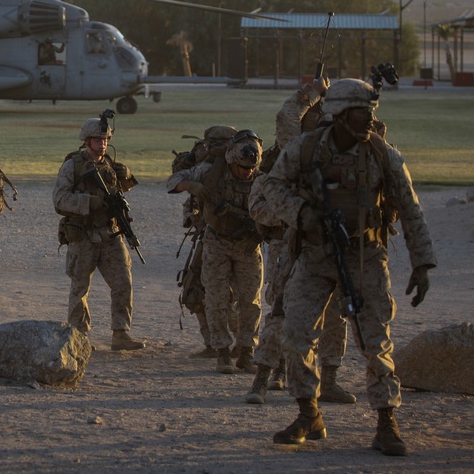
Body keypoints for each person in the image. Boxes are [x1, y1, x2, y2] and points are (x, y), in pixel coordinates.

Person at [255, 78, 435, 457]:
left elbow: (410, 208)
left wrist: (422, 263)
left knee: (374, 341)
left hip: (365, 257)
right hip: (315, 255)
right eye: (360, 112)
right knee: (296, 333)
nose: (368, 119)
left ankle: (386, 420)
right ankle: (309, 413)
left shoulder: (382, 155)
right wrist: (303, 214)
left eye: (370, 112)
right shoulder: (304, 150)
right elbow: (271, 188)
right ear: (338, 114)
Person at [245, 77, 356, 405]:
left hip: (336, 243)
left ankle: (330, 378)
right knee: (281, 309)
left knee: (337, 312)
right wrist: (311, 92)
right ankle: (262, 378)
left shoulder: (353, 152)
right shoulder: (301, 154)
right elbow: (287, 117)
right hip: (298, 243)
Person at [169, 129, 264, 374]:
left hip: (247, 246)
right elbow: (173, 181)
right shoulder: (212, 172)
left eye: (250, 168)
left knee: (250, 302)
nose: (247, 172)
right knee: (216, 299)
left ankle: (246, 352)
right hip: (216, 243)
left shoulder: (261, 179)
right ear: (233, 160)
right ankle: (222, 351)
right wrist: (193, 186)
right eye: (242, 168)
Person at [53, 112, 145, 351]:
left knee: (123, 282)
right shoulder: (72, 165)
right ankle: (79, 336)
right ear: (86, 141)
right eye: (97, 139)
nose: (102, 143)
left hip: (111, 234)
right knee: (80, 288)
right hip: (83, 236)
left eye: (105, 139)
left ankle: (120, 333)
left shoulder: (110, 165)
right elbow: (59, 200)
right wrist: (88, 202)